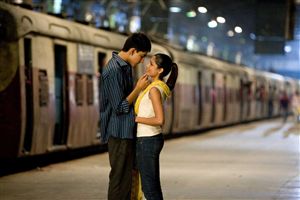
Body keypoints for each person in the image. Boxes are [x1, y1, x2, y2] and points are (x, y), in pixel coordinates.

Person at [99, 32, 151, 200]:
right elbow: (120, 107)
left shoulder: (125, 67)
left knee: (127, 178)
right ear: (132, 51)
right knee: (119, 178)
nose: (142, 61)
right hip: (118, 131)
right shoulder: (114, 70)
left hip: (126, 130)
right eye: (142, 56)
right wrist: (138, 89)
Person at [134, 53, 178, 200]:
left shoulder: (154, 90)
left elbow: (159, 119)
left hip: (148, 139)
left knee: (149, 186)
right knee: (150, 184)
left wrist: (136, 118)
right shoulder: (157, 87)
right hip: (148, 139)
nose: (147, 65)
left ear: (160, 70)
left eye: (151, 64)